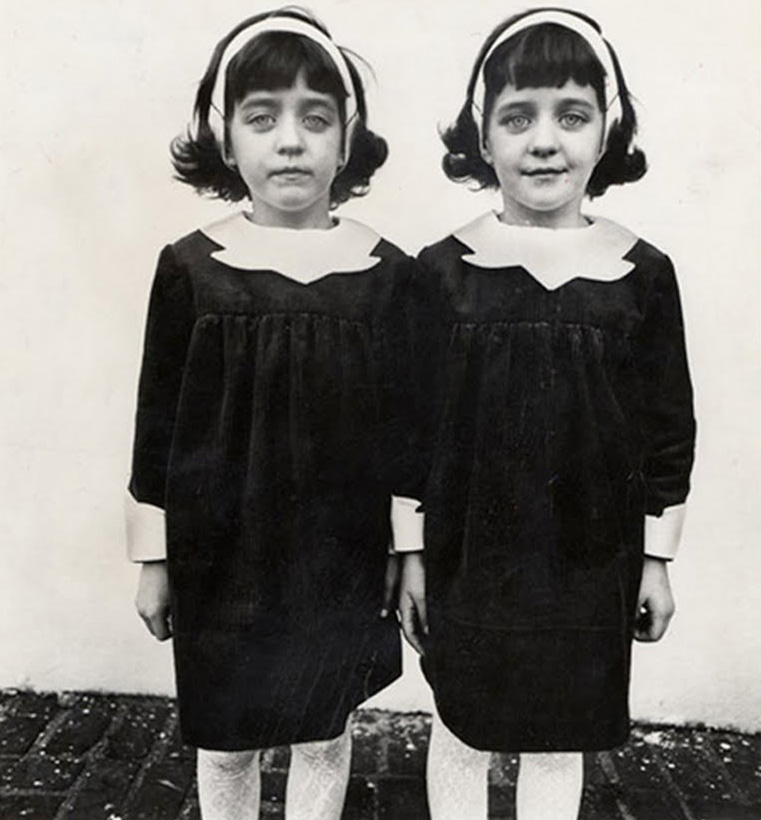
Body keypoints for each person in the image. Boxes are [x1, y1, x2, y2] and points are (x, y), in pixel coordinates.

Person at [398, 8, 696, 820]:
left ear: (608, 131)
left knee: (558, 731)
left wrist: (655, 559)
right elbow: (407, 430)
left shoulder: (639, 274)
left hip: (586, 559)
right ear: (482, 136)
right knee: (461, 722)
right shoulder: (443, 272)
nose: (543, 141)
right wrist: (411, 554)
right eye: (516, 116)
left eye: (571, 116)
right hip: (470, 556)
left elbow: (666, 428)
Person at [126, 9, 422, 820]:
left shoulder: (382, 273)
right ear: (227, 139)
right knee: (226, 735)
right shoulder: (192, 269)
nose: (289, 141)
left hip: (337, 553)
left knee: (322, 727)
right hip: (222, 550)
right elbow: (157, 423)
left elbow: (406, 434)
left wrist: (408, 551)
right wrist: (154, 559)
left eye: (314, 119)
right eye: (263, 117)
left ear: (346, 139)